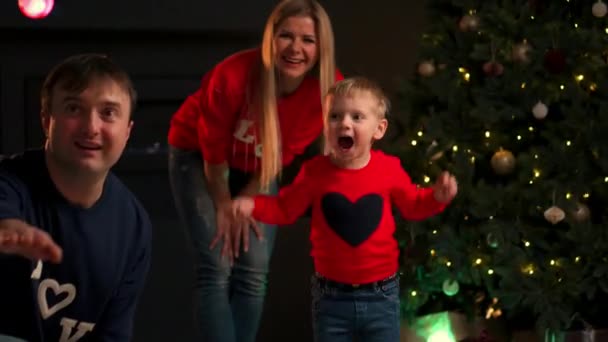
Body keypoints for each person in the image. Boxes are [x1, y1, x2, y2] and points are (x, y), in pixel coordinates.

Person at [232, 77, 458, 342]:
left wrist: (437, 198)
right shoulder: (315, 173)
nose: (345, 123)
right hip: (331, 299)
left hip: (381, 296)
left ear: (379, 129)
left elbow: (414, 206)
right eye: (335, 116)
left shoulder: (389, 170)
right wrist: (252, 204)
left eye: (357, 117)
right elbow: (285, 208)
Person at [167, 0, 341, 340]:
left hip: (261, 166)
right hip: (198, 156)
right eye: (285, 36)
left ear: (322, 48)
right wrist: (223, 205)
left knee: (254, 272)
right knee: (216, 267)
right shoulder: (232, 77)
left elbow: (283, 155)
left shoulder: (328, 91)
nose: (295, 48)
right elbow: (213, 150)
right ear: (269, 39)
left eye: (308, 40)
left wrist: (247, 198)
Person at [0, 53, 152, 342]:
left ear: (127, 131)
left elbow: (113, 335)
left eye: (108, 113)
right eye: (74, 108)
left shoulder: (134, 227)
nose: (91, 127)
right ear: (47, 120)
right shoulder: (9, 181)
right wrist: (8, 228)